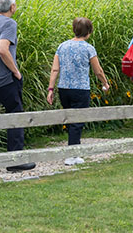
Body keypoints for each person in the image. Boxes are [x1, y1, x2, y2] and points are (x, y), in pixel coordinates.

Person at [46, 17, 110, 164]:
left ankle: (72, 151)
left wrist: (51, 89)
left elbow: (55, 69)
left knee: (70, 120)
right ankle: (72, 155)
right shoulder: (88, 48)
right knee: (78, 121)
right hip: (80, 89)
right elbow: (98, 70)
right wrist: (105, 83)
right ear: (89, 32)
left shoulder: (62, 46)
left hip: (64, 88)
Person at [0, 0, 35, 172]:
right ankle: (15, 160)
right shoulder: (9, 23)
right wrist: (16, 72)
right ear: (12, 7)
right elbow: (3, 50)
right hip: (4, 80)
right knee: (15, 114)